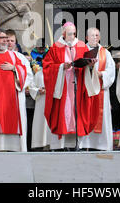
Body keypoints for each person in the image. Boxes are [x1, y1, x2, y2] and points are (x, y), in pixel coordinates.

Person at [42, 22, 99, 150]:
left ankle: (77, 143)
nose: (72, 36)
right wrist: (62, 66)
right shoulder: (55, 47)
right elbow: (47, 67)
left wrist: (91, 65)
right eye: (69, 34)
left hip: (78, 85)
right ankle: (62, 145)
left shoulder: (81, 46)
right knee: (64, 111)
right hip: (62, 86)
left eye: (74, 33)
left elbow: (87, 64)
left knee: (78, 111)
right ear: (63, 34)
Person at [79, 28, 116, 151]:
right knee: (85, 116)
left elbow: (111, 71)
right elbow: (76, 69)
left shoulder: (105, 53)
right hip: (85, 92)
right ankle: (84, 144)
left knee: (101, 117)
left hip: (100, 91)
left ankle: (101, 145)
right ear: (86, 37)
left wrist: (101, 74)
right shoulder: (80, 51)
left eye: (96, 35)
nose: (94, 37)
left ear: (99, 37)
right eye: (92, 35)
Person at [6, 29, 33, 152]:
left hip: (17, 95)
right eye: (7, 40)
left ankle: (20, 148)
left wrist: (15, 69)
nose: (10, 43)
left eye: (12, 40)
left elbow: (29, 75)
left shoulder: (21, 57)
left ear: (16, 42)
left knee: (20, 121)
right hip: (4, 96)